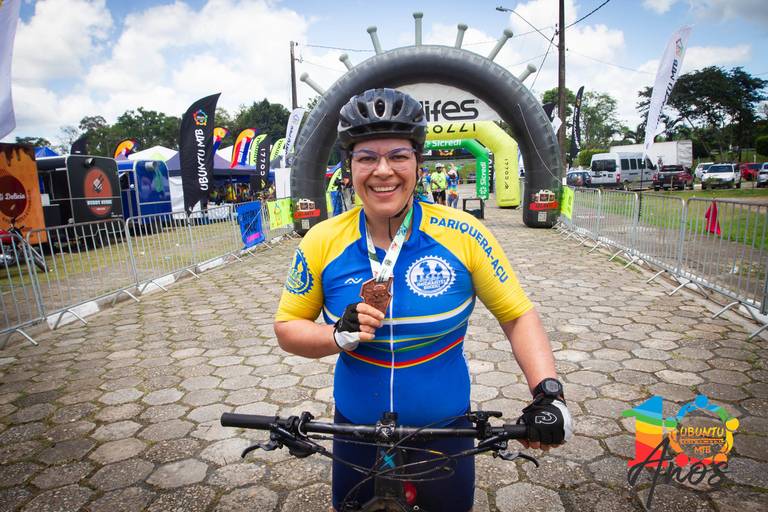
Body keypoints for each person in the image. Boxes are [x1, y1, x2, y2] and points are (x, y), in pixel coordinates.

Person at [273, 88, 571, 512]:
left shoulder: (465, 234)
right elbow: (287, 329)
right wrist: (335, 335)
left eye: (398, 155)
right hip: (356, 432)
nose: (383, 171)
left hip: (445, 431)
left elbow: (518, 317)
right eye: (366, 157)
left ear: (418, 163)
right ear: (348, 168)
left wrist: (548, 393)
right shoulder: (322, 240)